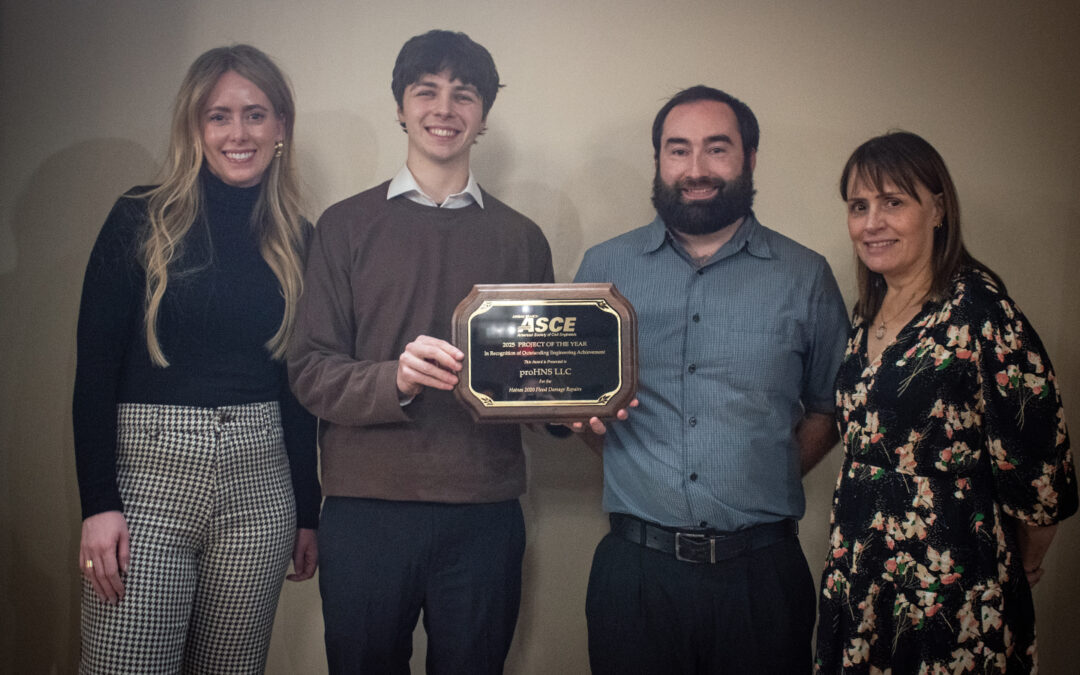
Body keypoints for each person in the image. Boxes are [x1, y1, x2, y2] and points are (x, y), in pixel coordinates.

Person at [288, 29, 553, 674]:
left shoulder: (522, 238)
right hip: (366, 512)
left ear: (483, 116)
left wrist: (571, 407)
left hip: (486, 514)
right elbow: (310, 370)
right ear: (400, 107)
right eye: (425, 91)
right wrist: (395, 380)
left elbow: (542, 374)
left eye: (464, 95)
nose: (444, 108)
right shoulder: (344, 226)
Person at [572, 85, 849, 674]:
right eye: (678, 150)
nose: (695, 169)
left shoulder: (805, 276)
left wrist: (760, 465)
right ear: (658, 162)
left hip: (763, 579)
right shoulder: (603, 268)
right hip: (635, 576)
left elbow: (832, 405)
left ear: (749, 157)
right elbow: (578, 397)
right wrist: (632, 458)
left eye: (716, 149)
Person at [73, 45, 319, 673]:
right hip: (147, 485)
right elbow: (95, 371)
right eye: (219, 116)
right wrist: (98, 504)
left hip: (261, 489)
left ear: (281, 127)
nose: (239, 133)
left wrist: (307, 510)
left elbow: (297, 385)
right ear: (194, 127)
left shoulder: (298, 238)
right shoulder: (139, 218)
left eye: (256, 114)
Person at [814, 131, 1076, 673]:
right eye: (859, 206)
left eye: (893, 202)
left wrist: (1021, 563)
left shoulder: (981, 312)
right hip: (861, 575)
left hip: (949, 587)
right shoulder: (869, 308)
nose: (871, 222)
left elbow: (1040, 468)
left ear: (937, 209)